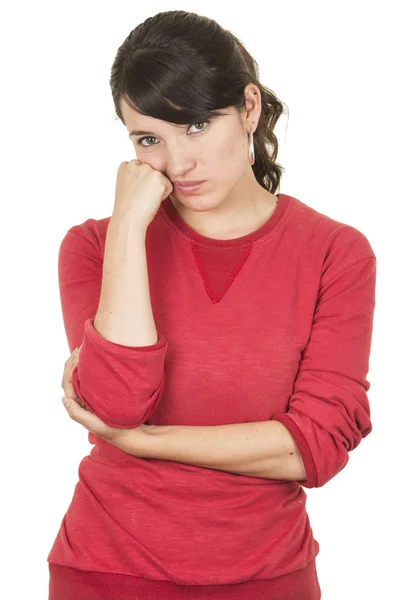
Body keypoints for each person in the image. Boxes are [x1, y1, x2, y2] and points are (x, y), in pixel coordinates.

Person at [47, 9, 376, 600]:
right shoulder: (95, 247)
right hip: (106, 570)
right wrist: (127, 229)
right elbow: (117, 405)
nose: (176, 163)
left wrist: (145, 443)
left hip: (267, 577)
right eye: (149, 139)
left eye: (195, 125)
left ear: (249, 106)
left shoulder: (336, 253)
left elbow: (318, 445)